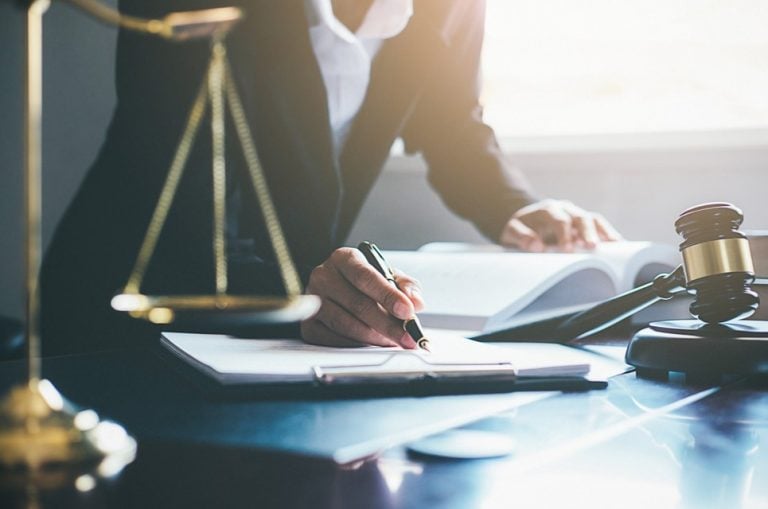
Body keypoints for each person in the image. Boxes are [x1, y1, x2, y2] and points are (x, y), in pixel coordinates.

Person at [40, 0, 620, 355]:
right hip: (133, 316)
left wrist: (511, 204)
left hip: (298, 334)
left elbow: (450, 122)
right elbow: (177, 183)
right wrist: (301, 290)